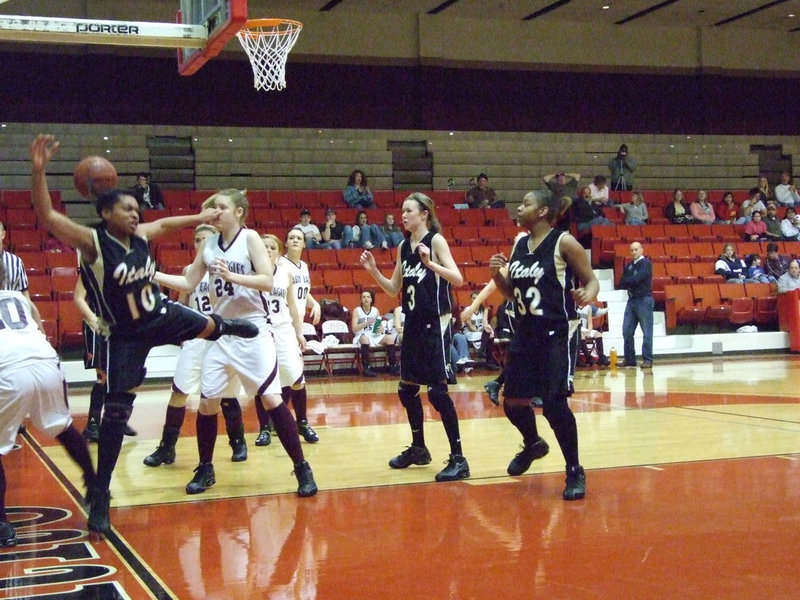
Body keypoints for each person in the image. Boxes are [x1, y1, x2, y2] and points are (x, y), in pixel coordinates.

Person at [30, 134, 260, 535]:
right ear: (106, 213)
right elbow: (48, 218)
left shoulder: (139, 237)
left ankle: (227, 327)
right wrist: (38, 171)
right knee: (117, 417)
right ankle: (100, 494)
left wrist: (196, 219)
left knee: (203, 324)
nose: (136, 214)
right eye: (127, 209)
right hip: (126, 336)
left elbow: (166, 223)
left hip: (160, 314)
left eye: (138, 208)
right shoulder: (92, 242)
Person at [153, 190, 317, 499]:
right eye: (213, 207)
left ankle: (301, 467)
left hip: (253, 329)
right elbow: (189, 283)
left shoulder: (251, 238)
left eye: (222, 207)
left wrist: (232, 276)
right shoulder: (210, 244)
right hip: (222, 329)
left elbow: (268, 280)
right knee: (207, 403)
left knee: (271, 398)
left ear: (239, 212)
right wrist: (152, 274)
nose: (216, 212)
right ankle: (205, 468)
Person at [489, 191, 598, 500]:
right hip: (524, 333)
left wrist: (588, 294)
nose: (519, 207)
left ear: (542, 212)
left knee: (554, 405)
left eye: (525, 203)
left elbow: (591, 280)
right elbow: (511, 293)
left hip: (554, 334)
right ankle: (533, 443)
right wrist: (495, 276)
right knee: (512, 402)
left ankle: (574, 470)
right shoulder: (519, 244)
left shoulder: (563, 242)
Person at [359, 192, 470, 482]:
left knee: (437, 392)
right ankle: (419, 448)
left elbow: (458, 279)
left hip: (436, 321)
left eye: (409, 210)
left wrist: (430, 264)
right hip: (413, 323)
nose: (403, 215)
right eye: (402, 210)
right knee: (406, 389)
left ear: (424, 214)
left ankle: (459, 458)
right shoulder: (402, 247)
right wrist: (373, 272)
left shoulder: (435, 241)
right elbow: (394, 289)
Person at [0, 261, 97, 547]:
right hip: (45, 359)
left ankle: (2, 524)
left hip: (8, 367)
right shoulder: (17, 297)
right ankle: (94, 484)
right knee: (62, 425)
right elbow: (40, 328)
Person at [143, 225, 246, 468]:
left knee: (226, 395)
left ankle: (238, 442)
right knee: (179, 390)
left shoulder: (229, 267)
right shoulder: (190, 270)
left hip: (221, 337)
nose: (201, 243)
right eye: (197, 239)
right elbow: (182, 302)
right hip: (195, 337)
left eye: (205, 239)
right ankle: (167, 448)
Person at [254, 227, 322, 446]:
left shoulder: (288, 273)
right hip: (261, 330)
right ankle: (265, 427)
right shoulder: (251, 274)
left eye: (272, 247)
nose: (269, 250)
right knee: (263, 381)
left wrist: (299, 331)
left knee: (295, 377)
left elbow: (293, 305)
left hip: (285, 329)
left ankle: (301, 422)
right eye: (264, 247)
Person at [74, 277, 137, 443]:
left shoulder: (123, 264)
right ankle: (92, 425)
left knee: (121, 375)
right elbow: (79, 297)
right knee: (103, 375)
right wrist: (94, 321)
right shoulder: (90, 265)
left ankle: (118, 420)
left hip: (119, 323)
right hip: (96, 322)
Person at [617, 241, 653, 369]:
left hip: (644, 299)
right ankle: (630, 359)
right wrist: (631, 280)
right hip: (632, 300)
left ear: (642, 250)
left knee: (647, 331)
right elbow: (621, 282)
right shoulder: (629, 265)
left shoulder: (646, 264)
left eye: (636, 249)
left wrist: (630, 280)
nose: (633, 252)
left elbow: (636, 279)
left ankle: (648, 359)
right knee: (626, 330)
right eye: (631, 250)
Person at [351, 290, 399, 377]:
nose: (366, 299)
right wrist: (366, 323)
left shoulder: (375, 310)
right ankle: (367, 368)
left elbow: (379, 327)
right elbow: (354, 329)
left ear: (371, 299)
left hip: (373, 334)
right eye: (363, 297)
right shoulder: (357, 311)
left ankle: (393, 366)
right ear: (361, 300)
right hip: (361, 334)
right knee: (365, 339)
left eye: (368, 297)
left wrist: (380, 329)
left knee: (390, 338)